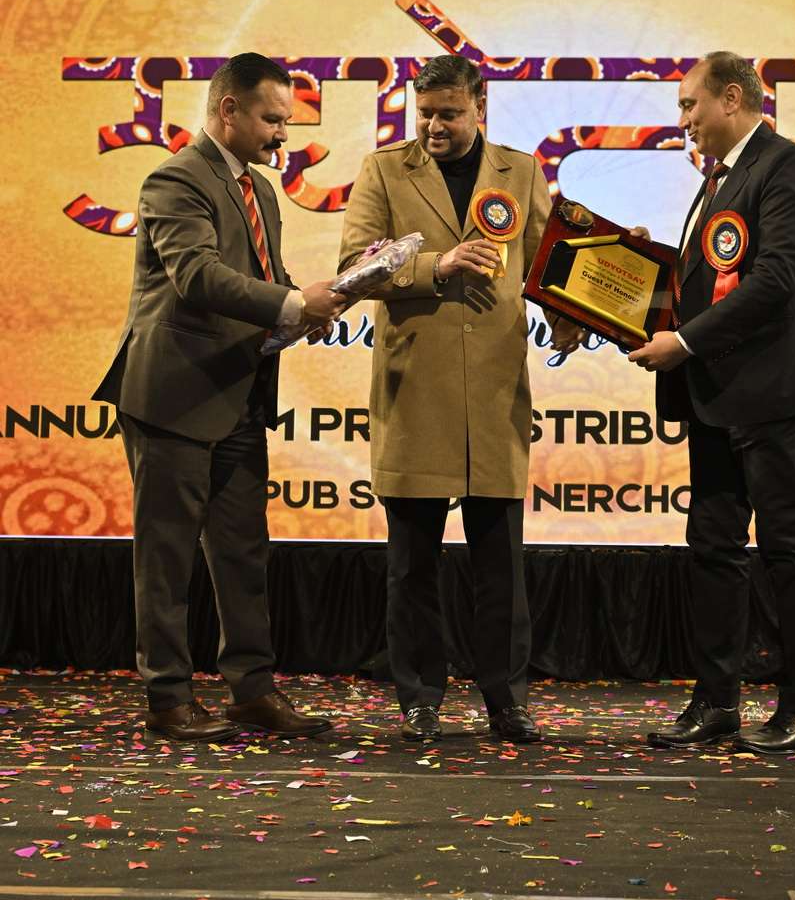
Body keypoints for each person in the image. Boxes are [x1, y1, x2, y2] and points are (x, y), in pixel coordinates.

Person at [94, 53, 348, 742]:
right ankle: (168, 699)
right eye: (272, 119)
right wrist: (293, 302)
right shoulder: (175, 178)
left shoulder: (260, 189)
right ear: (228, 110)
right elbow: (198, 277)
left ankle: (253, 692)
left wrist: (313, 306)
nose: (282, 135)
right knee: (167, 558)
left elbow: (267, 277)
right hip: (173, 396)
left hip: (238, 395)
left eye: (286, 122)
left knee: (243, 553)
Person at [339, 53, 582, 744]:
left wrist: (574, 311)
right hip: (414, 391)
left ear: (480, 106)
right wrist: (434, 265)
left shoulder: (521, 171)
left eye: (448, 113)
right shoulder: (384, 170)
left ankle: (507, 699)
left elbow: (548, 264)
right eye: (425, 114)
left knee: (500, 567)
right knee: (412, 565)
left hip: (495, 393)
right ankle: (419, 698)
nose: (434, 127)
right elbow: (353, 268)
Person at [628, 51, 795, 755]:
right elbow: (708, 278)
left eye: (690, 105)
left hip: (768, 393)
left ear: (733, 98)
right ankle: (716, 703)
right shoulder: (719, 178)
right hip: (715, 396)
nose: (682, 120)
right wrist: (636, 273)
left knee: (786, 547)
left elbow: (777, 279)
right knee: (713, 549)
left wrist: (684, 342)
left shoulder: (785, 165)